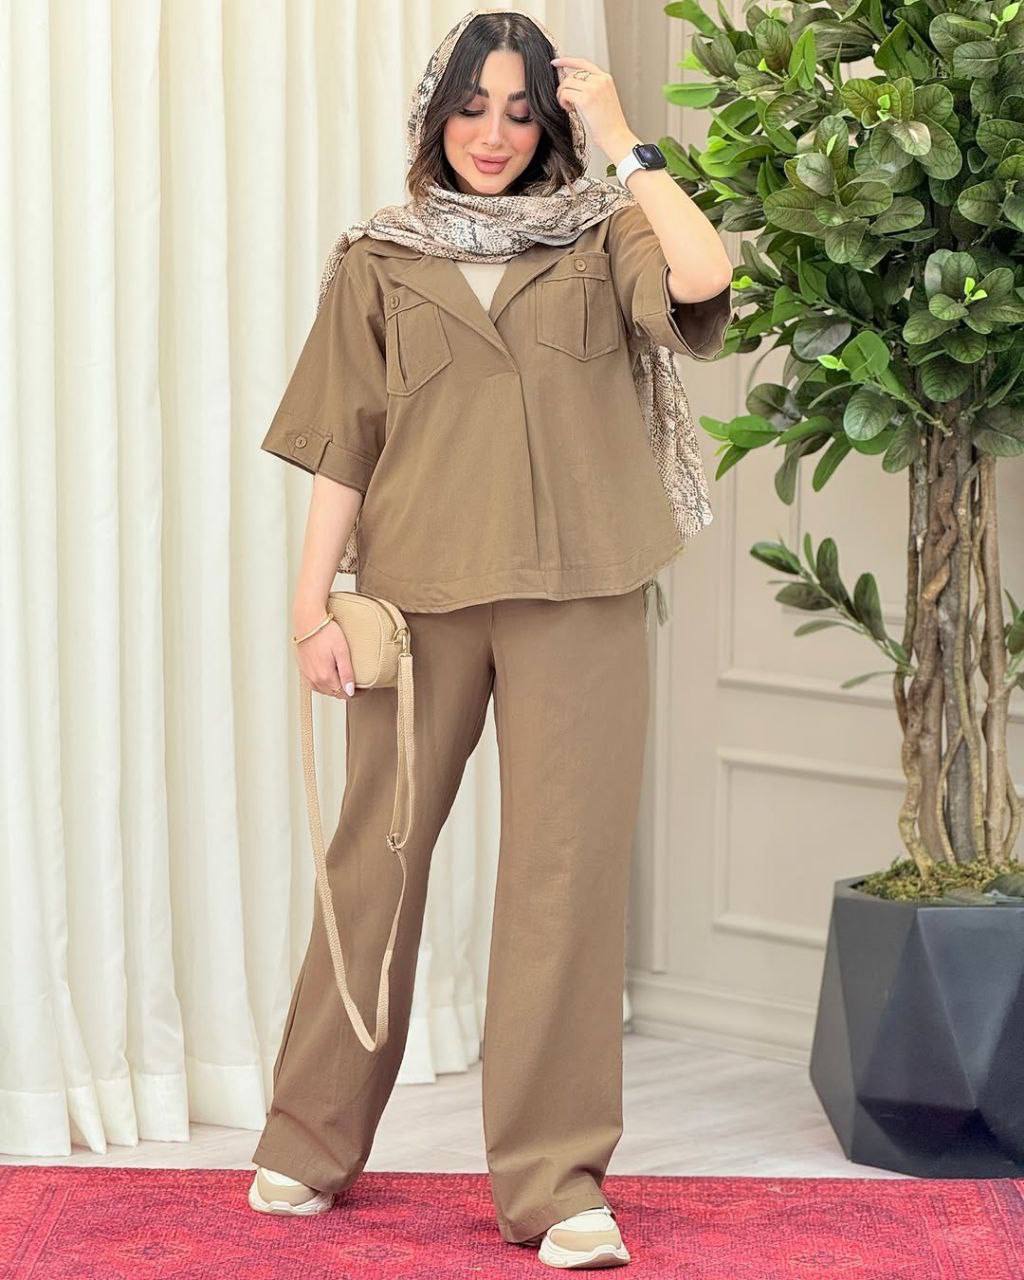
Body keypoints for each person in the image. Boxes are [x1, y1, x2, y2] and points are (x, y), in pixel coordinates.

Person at [247, 5, 732, 1269]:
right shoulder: (378, 258)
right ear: (436, 115)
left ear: (551, 122)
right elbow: (343, 443)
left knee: (563, 879)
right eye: (472, 107)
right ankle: (307, 1135)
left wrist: (623, 139)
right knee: (376, 858)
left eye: (522, 111)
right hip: (414, 597)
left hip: (583, 590)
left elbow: (702, 279)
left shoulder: (604, 232)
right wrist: (308, 605)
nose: (495, 133)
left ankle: (555, 1182)